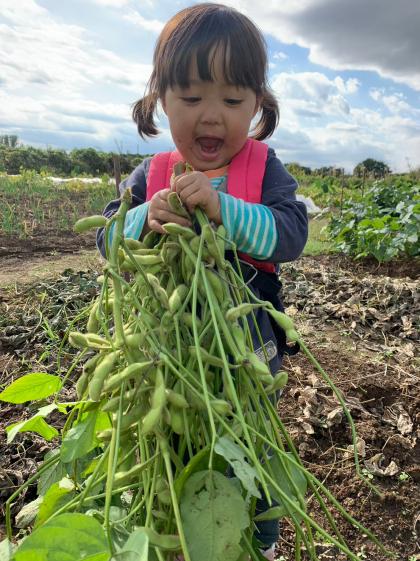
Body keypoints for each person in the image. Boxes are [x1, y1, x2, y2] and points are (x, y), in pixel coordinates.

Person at [97, 3, 308, 559]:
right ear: (160, 100)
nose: (211, 116)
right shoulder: (153, 175)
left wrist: (224, 210)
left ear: (258, 106)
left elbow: (291, 234)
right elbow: (106, 242)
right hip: (167, 350)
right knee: (171, 442)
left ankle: (255, 543)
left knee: (250, 447)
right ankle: (174, 530)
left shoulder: (263, 169)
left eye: (233, 101)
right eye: (191, 98)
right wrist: (145, 219)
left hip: (248, 352)